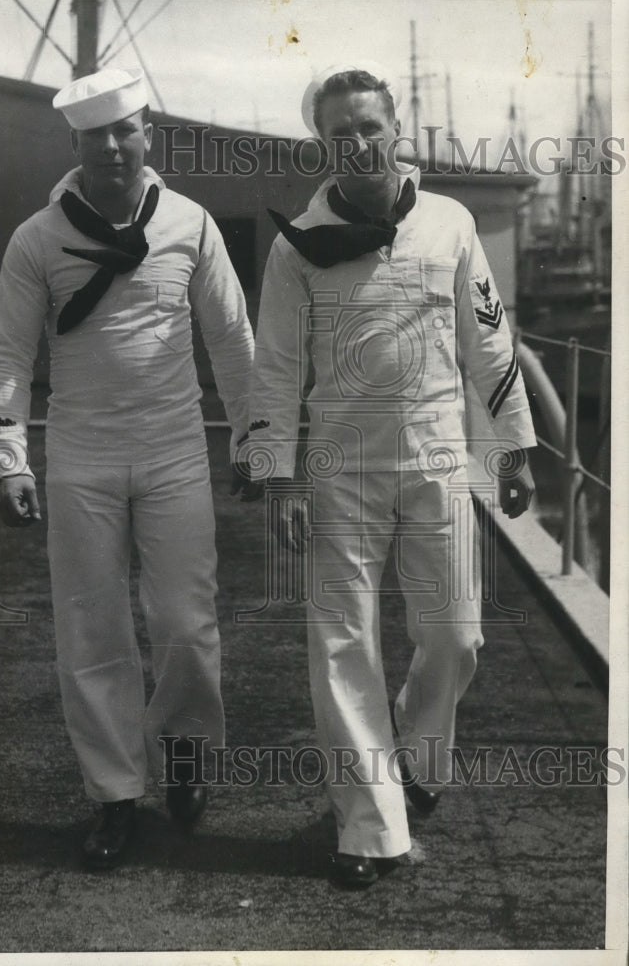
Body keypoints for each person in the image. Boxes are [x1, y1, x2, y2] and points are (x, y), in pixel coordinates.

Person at [245, 62, 537, 888]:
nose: (358, 143)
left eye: (369, 126)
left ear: (394, 128)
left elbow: (488, 341)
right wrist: (277, 475)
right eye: (340, 132)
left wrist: (511, 449)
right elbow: (273, 368)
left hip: (438, 461)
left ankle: (413, 756)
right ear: (323, 145)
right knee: (343, 650)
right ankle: (369, 828)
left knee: (455, 638)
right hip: (340, 469)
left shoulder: (448, 224)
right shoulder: (295, 246)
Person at [0, 68, 255, 869]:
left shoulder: (191, 224)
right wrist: (8, 460)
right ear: (74, 144)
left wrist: (255, 442)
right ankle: (112, 795)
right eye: (94, 135)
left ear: (147, 135)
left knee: (183, 623)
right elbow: (6, 354)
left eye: (124, 129)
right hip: (79, 455)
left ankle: (186, 756)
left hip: (173, 448)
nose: (111, 145)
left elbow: (232, 342)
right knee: (92, 632)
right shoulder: (37, 239)